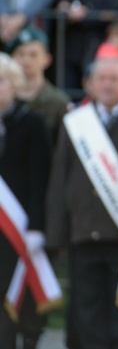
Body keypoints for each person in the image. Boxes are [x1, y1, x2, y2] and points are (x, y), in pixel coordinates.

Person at [45, 58, 118, 349]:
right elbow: (60, 180)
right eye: (102, 78)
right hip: (84, 233)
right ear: (89, 84)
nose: (108, 84)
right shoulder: (75, 124)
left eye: (114, 78)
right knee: (87, 311)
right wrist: (57, 233)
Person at [0, 53, 52, 349]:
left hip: (18, 230)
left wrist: (36, 226)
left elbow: (40, 179)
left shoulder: (32, 123)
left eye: (1, 81)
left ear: (15, 84)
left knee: (18, 299)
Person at [6, 26, 70, 143]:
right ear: (12, 58)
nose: (26, 60)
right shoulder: (5, 98)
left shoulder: (58, 102)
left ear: (47, 59)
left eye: (33, 55)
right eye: (21, 54)